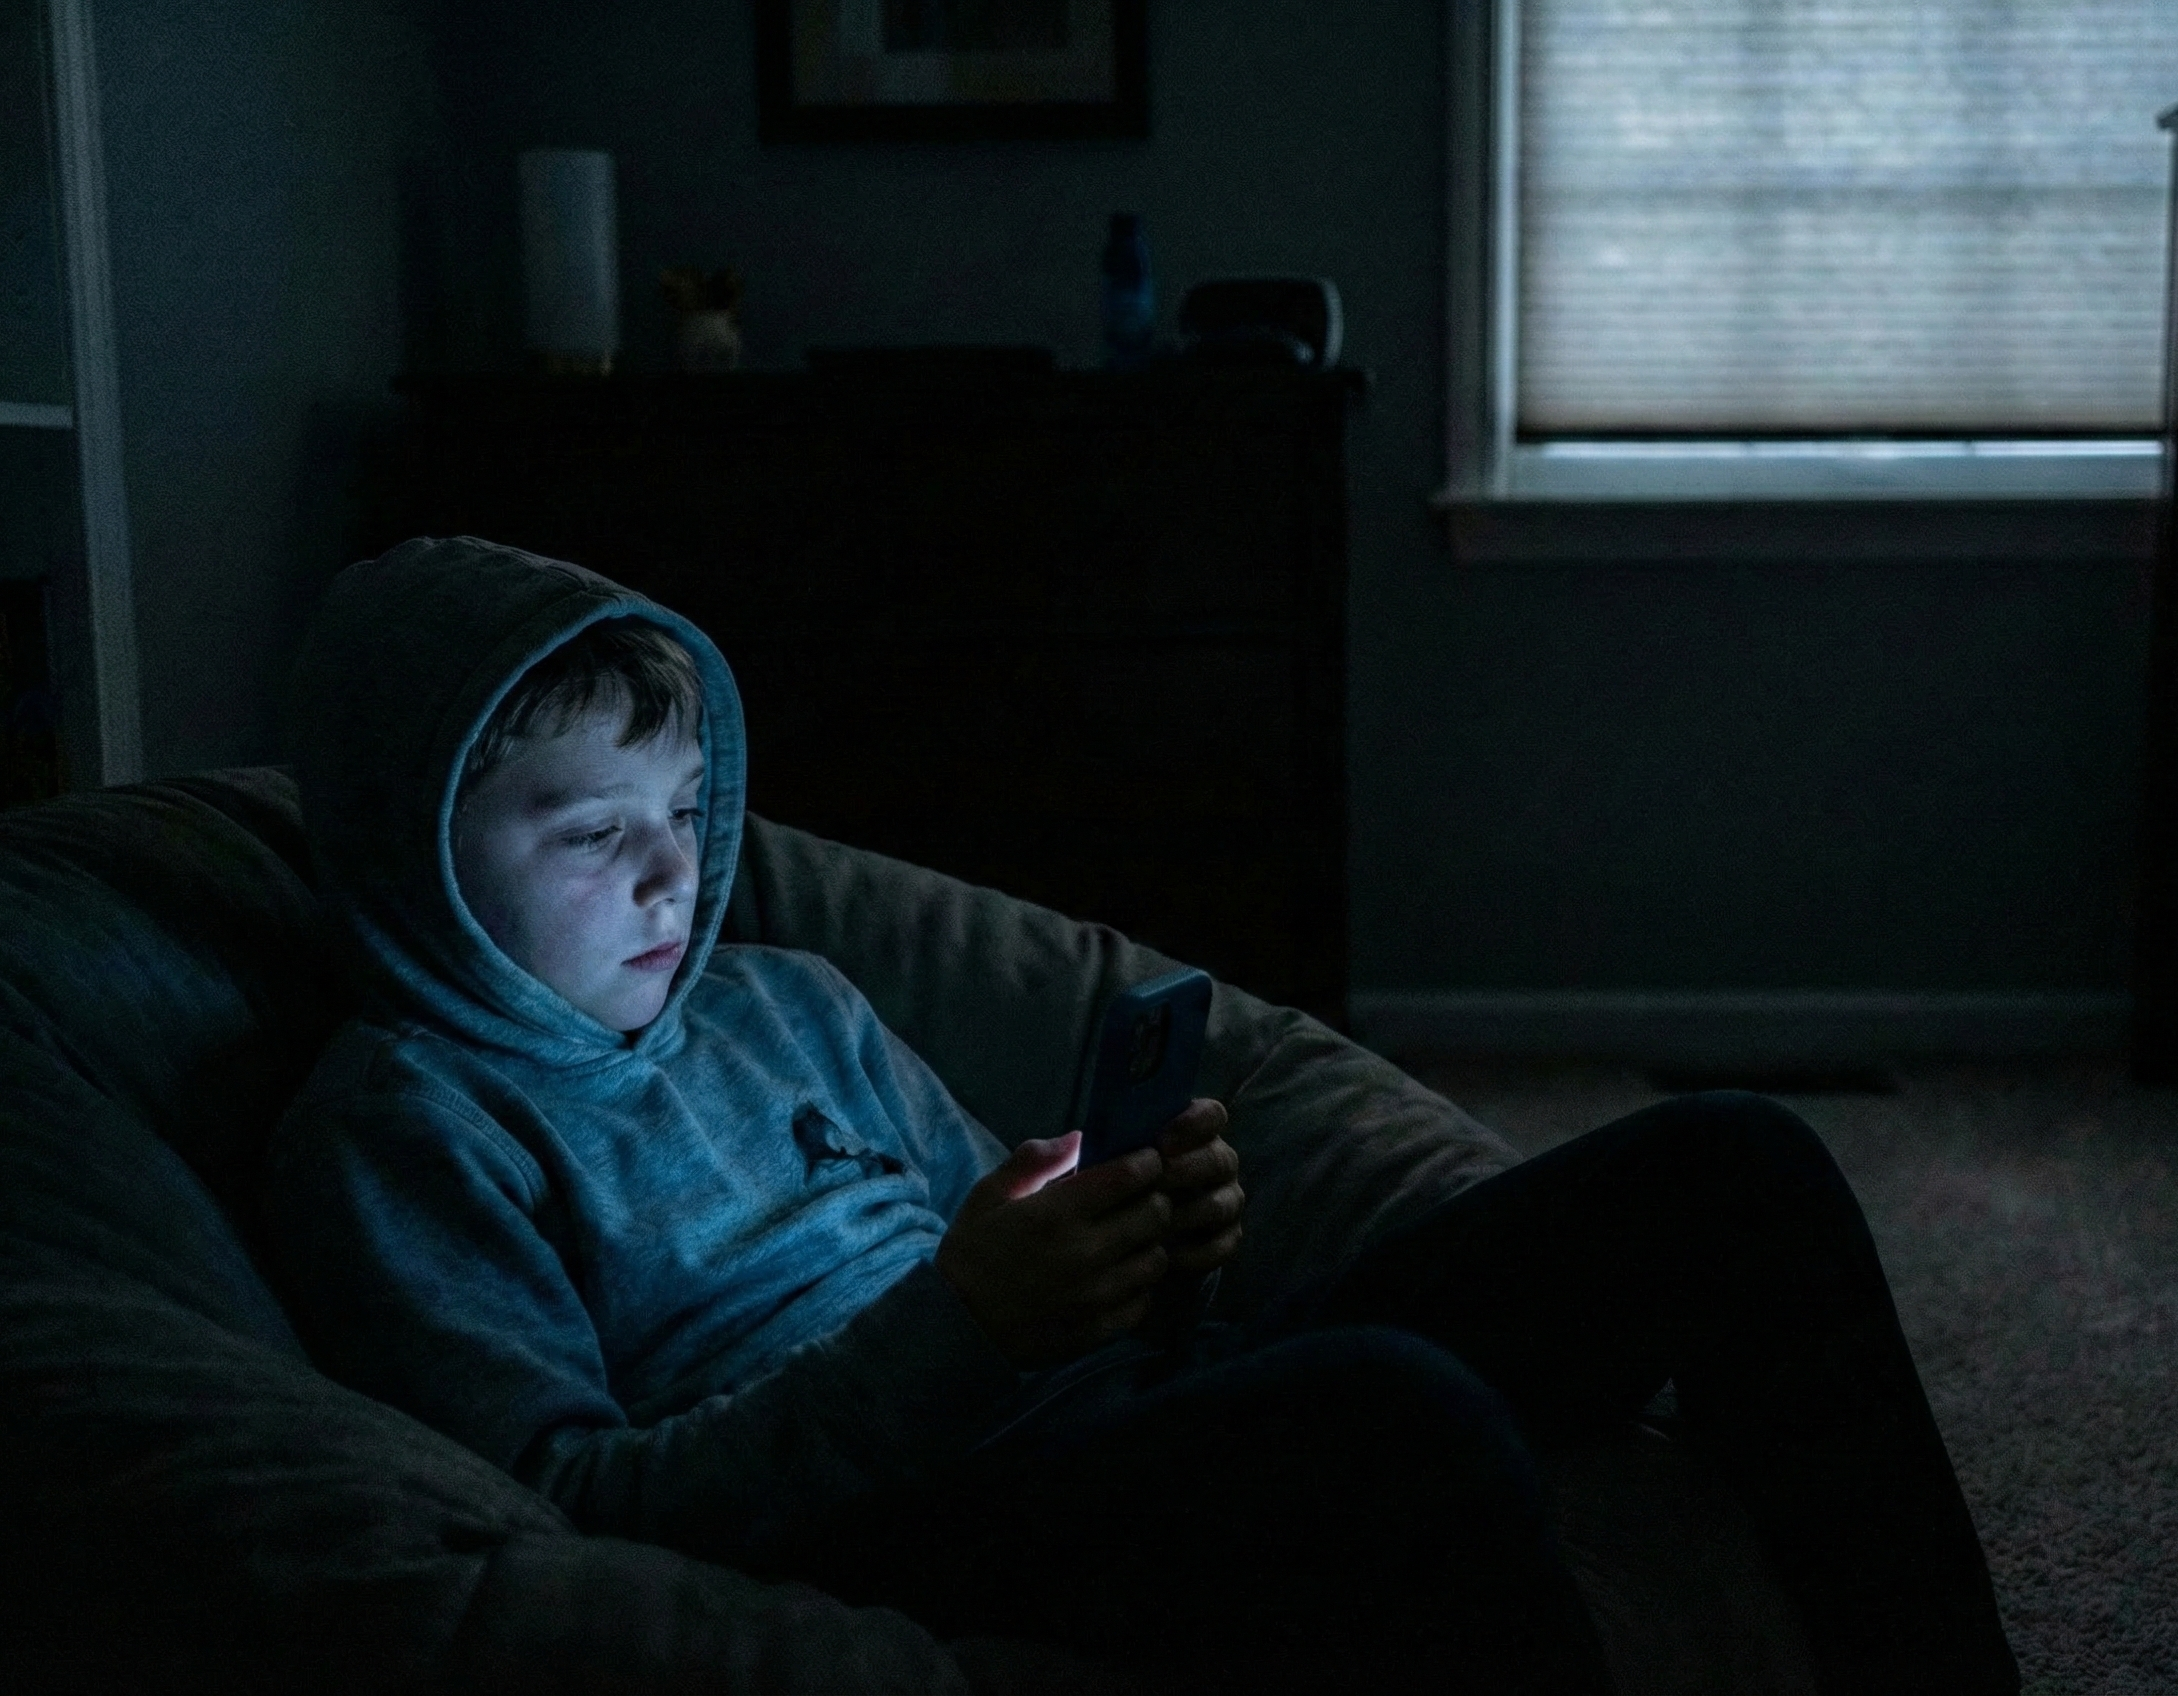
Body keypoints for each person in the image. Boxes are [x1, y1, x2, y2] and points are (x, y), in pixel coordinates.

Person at [263, 534, 2020, 1696]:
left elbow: (1005, 1230)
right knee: (1389, 1414)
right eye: (594, 833)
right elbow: (561, 1512)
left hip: (1119, 1401)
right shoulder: (410, 1123)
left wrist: (1155, 1243)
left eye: (691, 804)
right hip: (909, 1517)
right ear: (409, 857)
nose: (674, 871)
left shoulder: (789, 999)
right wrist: (968, 1329)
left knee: (1732, 1165)